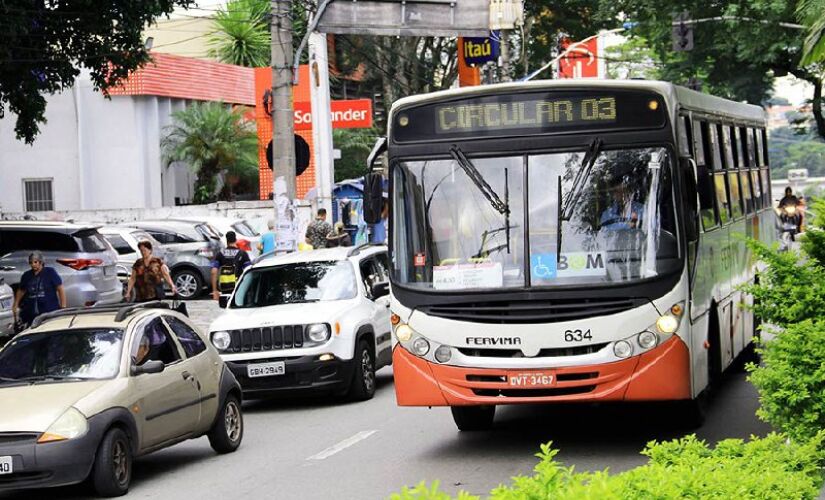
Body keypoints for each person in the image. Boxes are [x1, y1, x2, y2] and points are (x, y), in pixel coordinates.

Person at [12, 251, 66, 328]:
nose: (33, 264)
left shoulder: (50, 272)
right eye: (31, 263)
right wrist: (15, 304)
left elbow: (60, 288)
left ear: (41, 262)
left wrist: (63, 306)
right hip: (32, 312)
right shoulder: (26, 275)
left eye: (35, 262)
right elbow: (21, 290)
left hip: (49, 310)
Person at [211, 230, 252, 299]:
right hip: (238, 286)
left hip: (225, 287)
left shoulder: (220, 254)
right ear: (235, 240)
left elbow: (213, 272)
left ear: (227, 241)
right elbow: (249, 270)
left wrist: (215, 290)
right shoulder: (242, 253)